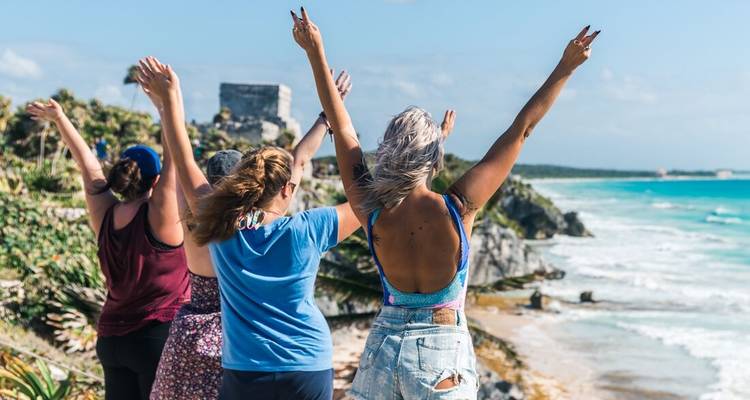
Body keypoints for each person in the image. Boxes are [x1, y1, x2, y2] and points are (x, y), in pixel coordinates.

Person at [292, 8, 599, 399]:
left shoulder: (370, 207)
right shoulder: (459, 207)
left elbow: (343, 128)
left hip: (382, 352)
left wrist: (315, 52)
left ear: (387, 151)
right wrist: (565, 67)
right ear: (434, 158)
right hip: (441, 358)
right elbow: (522, 130)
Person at [135, 56, 360, 400]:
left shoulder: (221, 230)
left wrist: (169, 103)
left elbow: (184, 162)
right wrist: (332, 116)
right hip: (306, 362)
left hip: (245, 366)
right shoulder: (307, 230)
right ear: (287, 189)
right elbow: (365, 198)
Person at [26, 90, 189, 399]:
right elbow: (176, 159)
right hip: (154, 336)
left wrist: (60, 119)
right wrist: (167, 105)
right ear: (155, 182)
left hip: (112, 338)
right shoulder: (160, 217)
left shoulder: (105, 213)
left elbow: (87, 167)